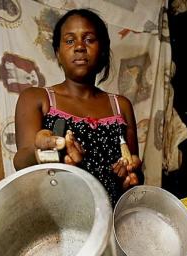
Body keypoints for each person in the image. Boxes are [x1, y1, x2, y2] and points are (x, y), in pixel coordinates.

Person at [13, 8, 143, 206]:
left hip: (111, 219)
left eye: (89, 39)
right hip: (59, 220)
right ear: (58, 52)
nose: (80, 47)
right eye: (70, 40)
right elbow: (21, 162)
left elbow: (135, 172)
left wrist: (129, 177)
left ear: (102, 50)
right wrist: (48, 149)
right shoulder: (37, 99)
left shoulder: (120, 106)